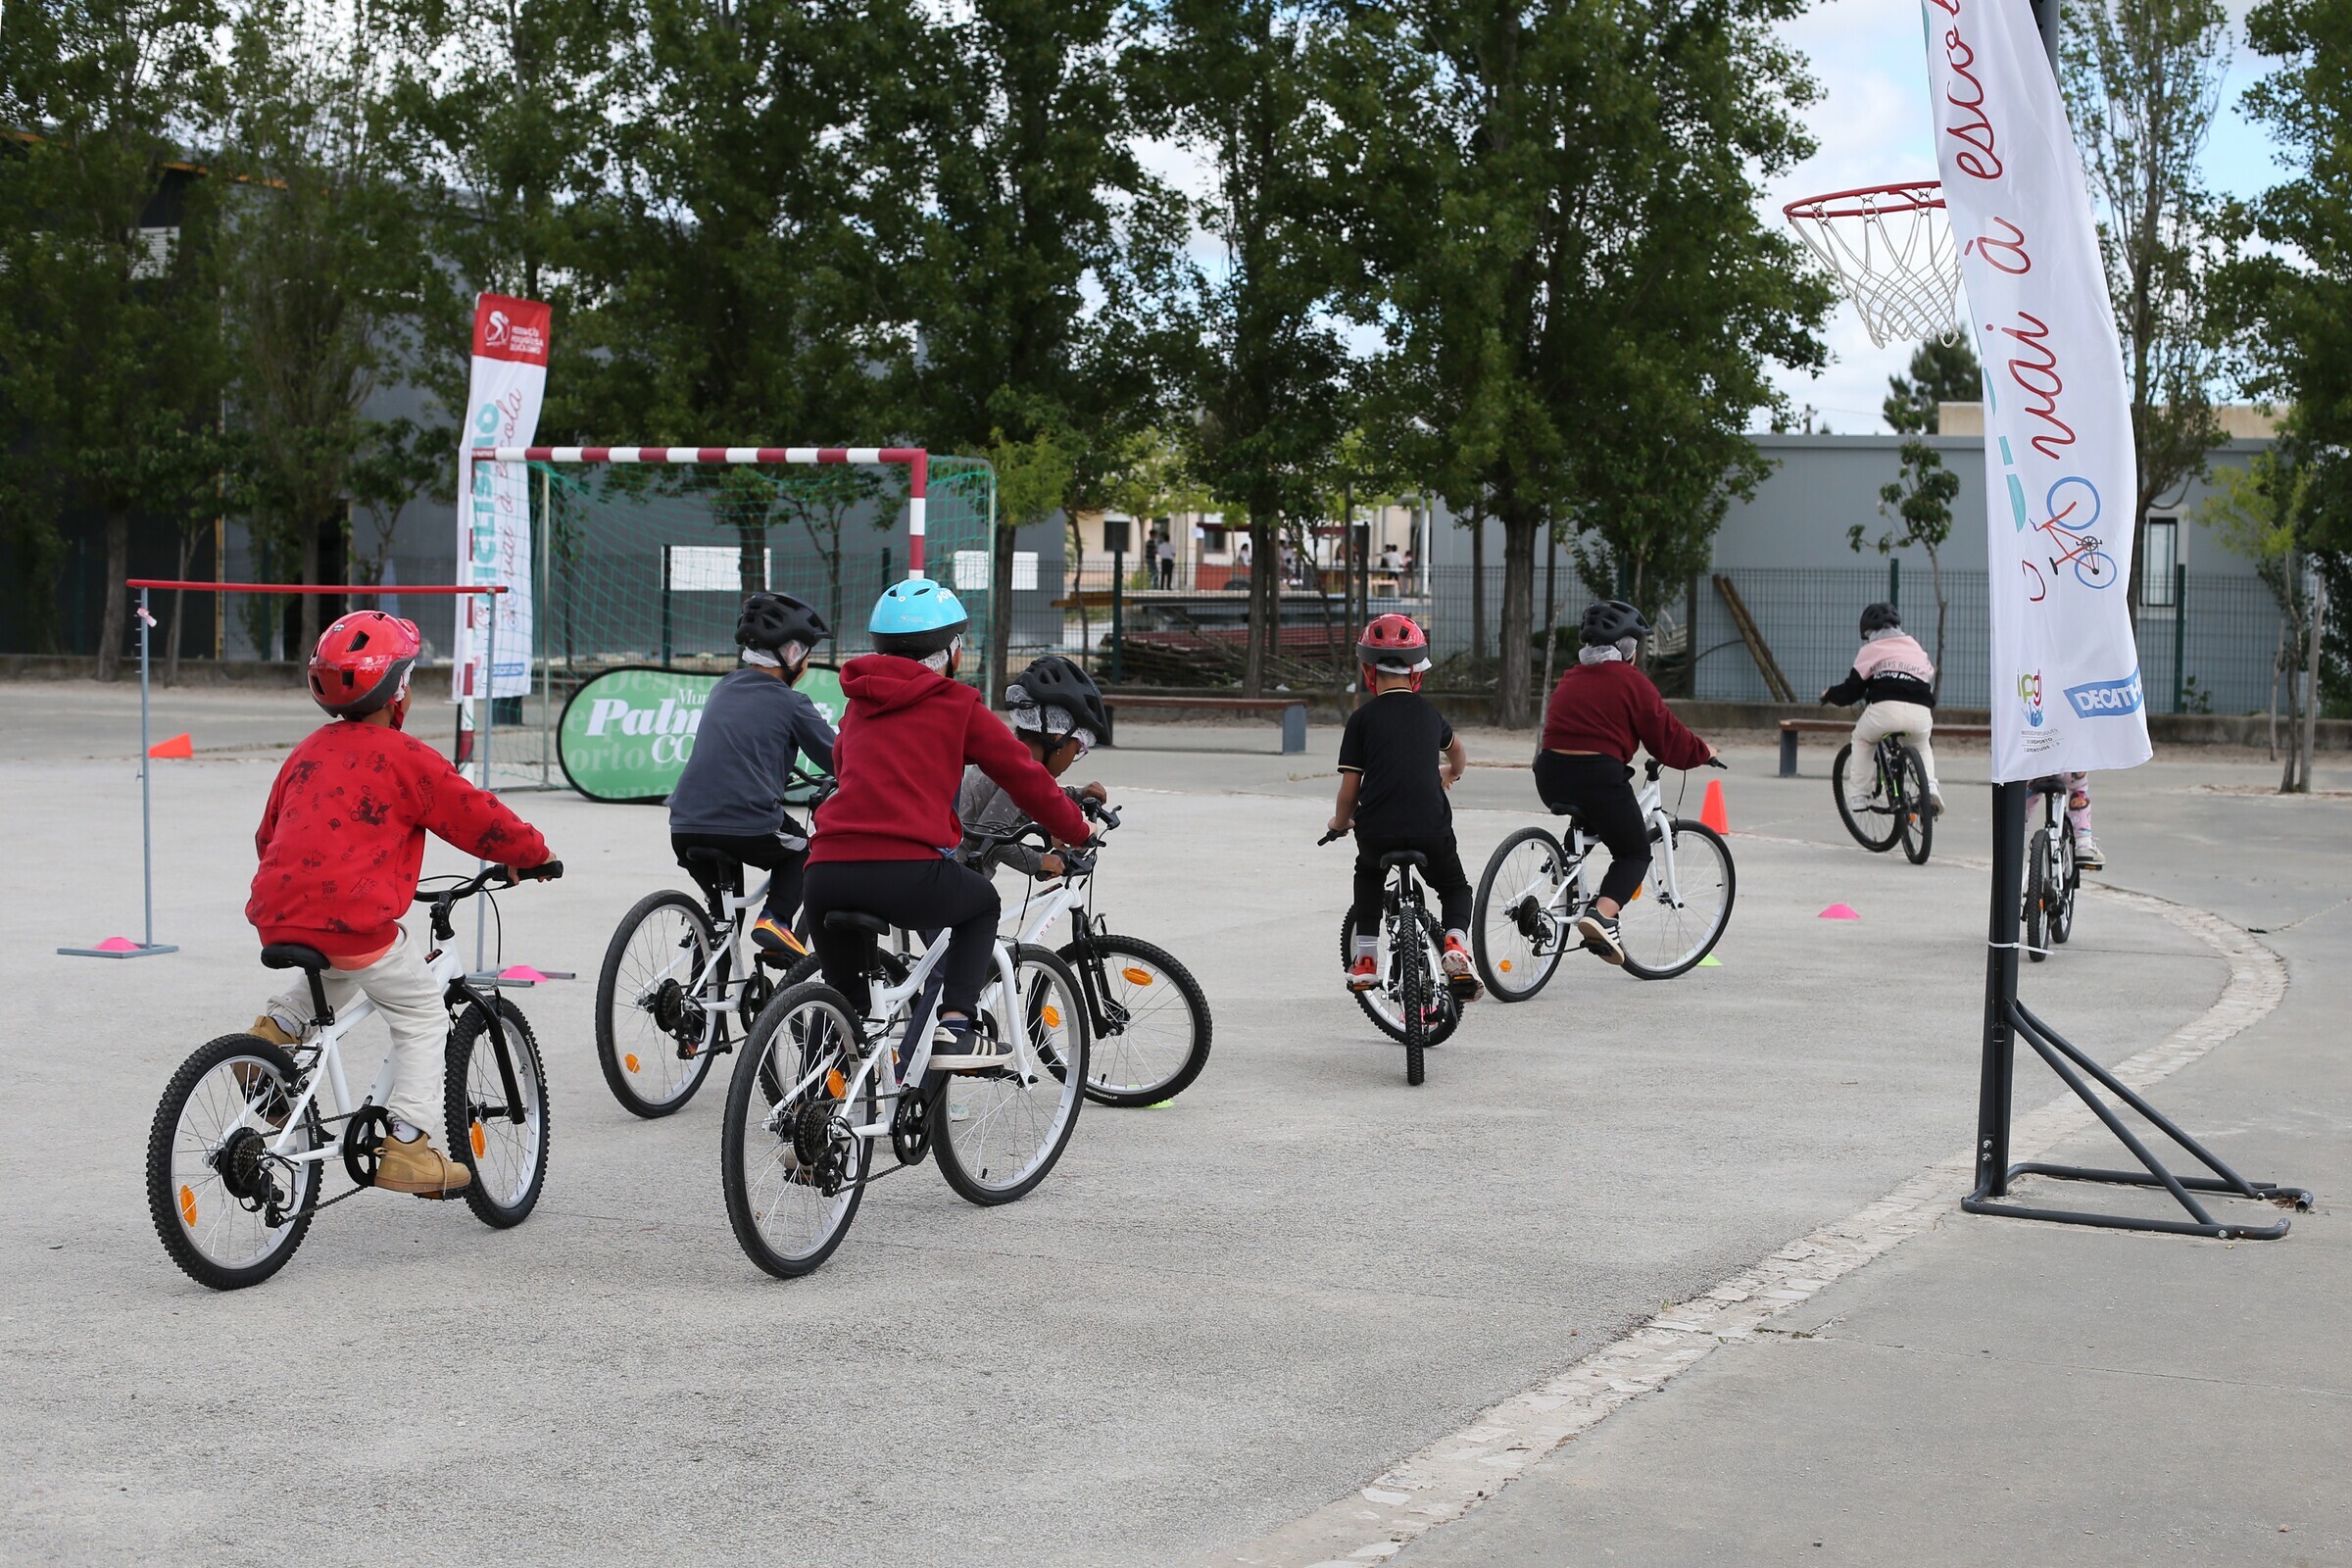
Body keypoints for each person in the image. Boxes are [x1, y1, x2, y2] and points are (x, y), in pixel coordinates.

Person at [246, 611, 555, 1198]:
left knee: (343, 965)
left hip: (279, 910)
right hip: (353, 918)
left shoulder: (305, 752)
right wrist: (533, 854)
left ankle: (271, 1035)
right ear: (399, 688)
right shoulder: (405, 755)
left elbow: (268, 835)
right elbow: (475, 816)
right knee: (420, 1013)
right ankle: (407, 1144)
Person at [804, 579, 1093, 1070]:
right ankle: (956, 1026)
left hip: (825, 871)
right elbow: (1025, 776)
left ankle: (813, 1116)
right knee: (981, 905)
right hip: (906, 870)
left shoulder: (857, 706)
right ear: (950, 651)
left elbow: (841, 766)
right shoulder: (957, 707)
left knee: (847, 1011)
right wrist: (1079, 830)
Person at [1537, 601, 1718, 965]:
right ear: (1627, 647)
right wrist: (1702, 751)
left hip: (1550, 774)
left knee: (1595, 815)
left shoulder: (1570, 678)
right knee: (1634, 851)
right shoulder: (1632, 681)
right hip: (1598, 778)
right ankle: (1603, 914)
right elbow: (1667, 738)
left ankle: (1564, 871)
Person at [665, 593, 837, 961]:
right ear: (793, 654)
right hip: (747, 823)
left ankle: (700, 1013)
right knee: (807, 850)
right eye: (806, 654)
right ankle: (776, 919)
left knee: (722, 920)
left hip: (684, 824)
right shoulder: (793, 703)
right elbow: (840, 760)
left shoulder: (722, 688)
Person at [1328, 613, 1479, 1001]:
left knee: (1368, 874)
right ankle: (1456, 944)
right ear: (1416, 675)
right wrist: (1451, 773)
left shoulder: (1360, 720)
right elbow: (1458, 752)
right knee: (1455, 888)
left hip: (1377, 828)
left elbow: (1350, 789)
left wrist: (1340, 821)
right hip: (1430, 826)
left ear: (1368, 671)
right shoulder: (1430, 713)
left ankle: (1364, 958)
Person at [957, 656, 1112, 881]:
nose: (1073, 758)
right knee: (989, 909)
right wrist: (1038, 861)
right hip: (961, 873)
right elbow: (992, 835)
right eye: (1077, 750)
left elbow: (1039, 797)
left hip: (959, 867)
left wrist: (1078, 794)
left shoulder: (1013, 761)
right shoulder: (1016, 775)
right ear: (1060, 739)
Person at [1819, 602, 1944, 816]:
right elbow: (1929, 673)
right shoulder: (1914, 645)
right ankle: (1930, 787)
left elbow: (1852, 690)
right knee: (1922, 745)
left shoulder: (1870, 649)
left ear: (1868, 631)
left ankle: (1859, 794)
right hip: (1921, 708)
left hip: (1886, 709)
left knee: (1862, 738)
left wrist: (1829, 694)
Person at [2063, 773, 2103, 868]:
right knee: (2079, 787)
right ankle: (2083, 844)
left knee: (2028, 791)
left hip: (2036, 769)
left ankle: (2021, 840)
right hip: (2068, 772)